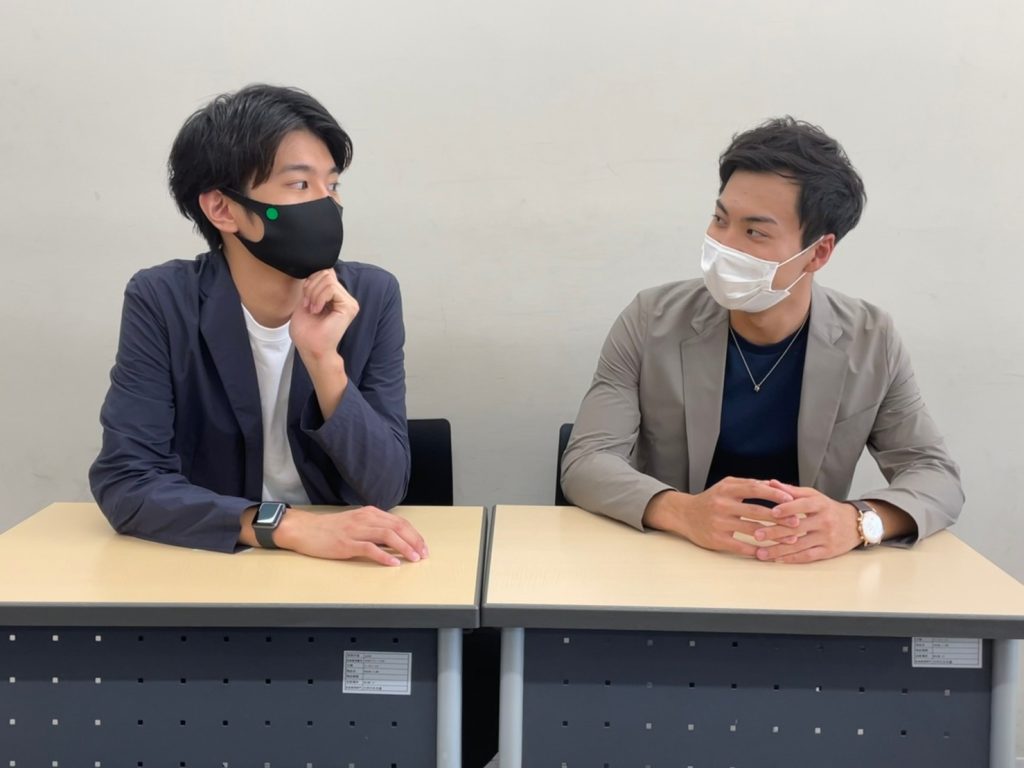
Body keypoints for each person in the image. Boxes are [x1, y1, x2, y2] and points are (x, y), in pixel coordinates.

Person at [561, 117, 963, 563]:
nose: (725, 245)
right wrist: (683, 512)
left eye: (754, 232)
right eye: (720, 220)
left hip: (801, 570)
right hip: (672, 559)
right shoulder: (651, 319)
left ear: (818, 252)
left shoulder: (871, 341)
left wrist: (857, 521)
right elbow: (586, 461)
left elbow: (935, 475)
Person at [89, 84, 427, 566]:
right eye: (300, 185)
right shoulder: (163, 301)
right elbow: (127, 482)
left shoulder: (369, 297)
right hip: (216, 559)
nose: (327, 203)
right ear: (222, 208)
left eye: (332, 185)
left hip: (343, 564)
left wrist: (324, 362)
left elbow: (385, 486)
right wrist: (285, 526)